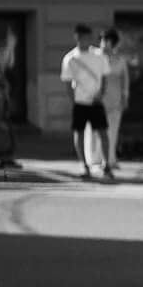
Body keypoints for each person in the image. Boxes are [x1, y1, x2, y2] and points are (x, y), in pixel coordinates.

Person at [58, 25, 109, 182]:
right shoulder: (71, 58)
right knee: (78, 132)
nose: (85, 40)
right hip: (80, 101)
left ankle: (106, 164)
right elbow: (67, 81)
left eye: (88, 37)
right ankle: (84, 164)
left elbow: (105, 76)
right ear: (77, 38)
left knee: (102, 131)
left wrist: (101, 93)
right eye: (82, 37)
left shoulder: (99, 55)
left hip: (96, 101)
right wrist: (73, 99)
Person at [97, 28, 130, 180]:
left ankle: (110, 159)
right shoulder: (95, 58)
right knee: (96, 131)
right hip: (97, 99)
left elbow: (125, 81)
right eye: (103, 40)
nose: (104, 44)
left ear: (114, 43)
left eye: (108, 41)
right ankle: (96, 159)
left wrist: (125, 97)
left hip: (115, 99)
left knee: (113, 130)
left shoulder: (120, 60)